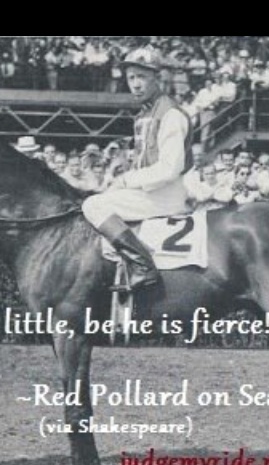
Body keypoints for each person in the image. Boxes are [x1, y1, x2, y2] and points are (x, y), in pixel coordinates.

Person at [82, 47, 193, 291]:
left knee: (92, 205)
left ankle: (143, 265)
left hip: (164, 194)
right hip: (150, 191)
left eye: (142, 76)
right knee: (100, 196)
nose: (135, 84)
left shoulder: (170, 114)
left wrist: (126, 180)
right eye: (131, 78)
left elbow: (169, 169)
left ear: (157, 78)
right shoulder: (145, 113)